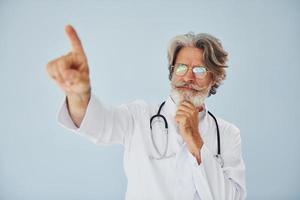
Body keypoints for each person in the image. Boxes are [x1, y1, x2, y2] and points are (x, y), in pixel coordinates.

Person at [47, 25, 246, 200]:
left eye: (200, 70)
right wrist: (79, 96)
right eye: (182, 67)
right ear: (172, 71)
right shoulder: (139, 115)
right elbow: (100, 125)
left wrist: (196, 142)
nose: (188, 77)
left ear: (214, 79)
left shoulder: (227, 134)